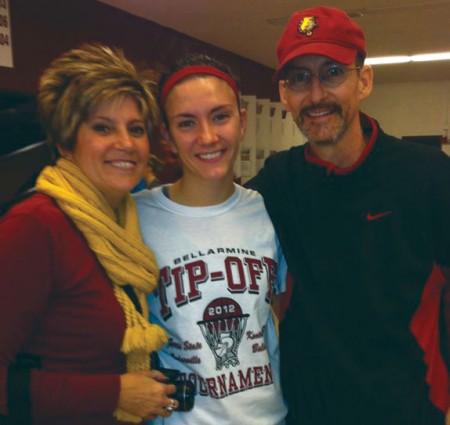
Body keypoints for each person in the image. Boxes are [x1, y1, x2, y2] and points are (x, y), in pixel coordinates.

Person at [246, 6, 450, 425]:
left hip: (408, 411)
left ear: (364, 80)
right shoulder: (276, 182)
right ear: (285, 95)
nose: (316, 94)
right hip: (306, 412)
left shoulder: (428, 175)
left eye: (332, 72)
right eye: (300, 78)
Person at [0, 43, 180, 425]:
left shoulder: (124, 224)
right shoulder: (36, 225)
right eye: (102, 127)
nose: (126, 144)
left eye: (135, 129)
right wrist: (114, 393)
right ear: (66, 142)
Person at [135, 53, 288, 425]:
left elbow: (276, 314)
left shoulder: (269, 212)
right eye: (187, 123)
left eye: (220, 116)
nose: (207, 137)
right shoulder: (134, 217)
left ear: (242, 121)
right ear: (167, 136)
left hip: (269, 417)